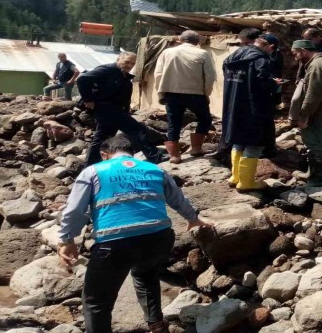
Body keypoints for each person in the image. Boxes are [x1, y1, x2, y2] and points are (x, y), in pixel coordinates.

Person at [57, 135, 209, 333]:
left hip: (115, 243)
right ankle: (156, 325)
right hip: (159, 239)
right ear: (131, 152)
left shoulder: (93, 172)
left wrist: (67, 239)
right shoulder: (155, 169)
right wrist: (193, 219)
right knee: (146, 275)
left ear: (104, 155)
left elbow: (74, 210)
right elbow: (178, 199)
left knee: (97, 301)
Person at [76, 52, 163, 166]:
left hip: (114, 109)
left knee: (102, 138)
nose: (129, 65)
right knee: (137, 129)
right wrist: (88, 99)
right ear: (118, 59)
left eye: (132, 63)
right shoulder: (107, 69)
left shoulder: (122, 74)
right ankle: (154, 156)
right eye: (127, 62)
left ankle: (90, 165)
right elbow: (82, 79)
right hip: (107, 108)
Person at [222, 30, 277, 191]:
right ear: (270, 47)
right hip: (253, 107)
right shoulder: (260, 60)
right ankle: (246, 183)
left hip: (233, 104)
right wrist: (275, 84)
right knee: (254, 144)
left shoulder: (235, 55)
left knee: (238, 141)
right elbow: (263, 84)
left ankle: (235, 177)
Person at [154, 30, 217, 164]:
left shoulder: (167, 52)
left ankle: (174, 156)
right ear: (197, 42)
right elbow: (210, 76)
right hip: (195, 93)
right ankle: (196, 148)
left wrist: (160, 92)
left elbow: (158, 74)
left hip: (171, 93)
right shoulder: (203, 53)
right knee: (205, 119)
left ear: (180, 40)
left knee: (173, 124)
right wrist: (206, 93)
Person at [288, 40, 322, 187]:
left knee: (315, 146)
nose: (295, 58)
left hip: (316, 113)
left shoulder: (316, 66)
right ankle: (312, 174)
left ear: (303, 51)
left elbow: (313, 95)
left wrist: (304, 114)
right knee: (317, 143)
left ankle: (316, 180)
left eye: (295, 54)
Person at [207, 28, 260, 162]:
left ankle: (234, 173)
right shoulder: (258, 57)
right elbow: (260, 82)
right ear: (257, 40)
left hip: (232, 98)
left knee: (234, 134)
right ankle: (245, 180)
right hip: (250, 101)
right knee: (251, 140)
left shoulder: (231, 57)